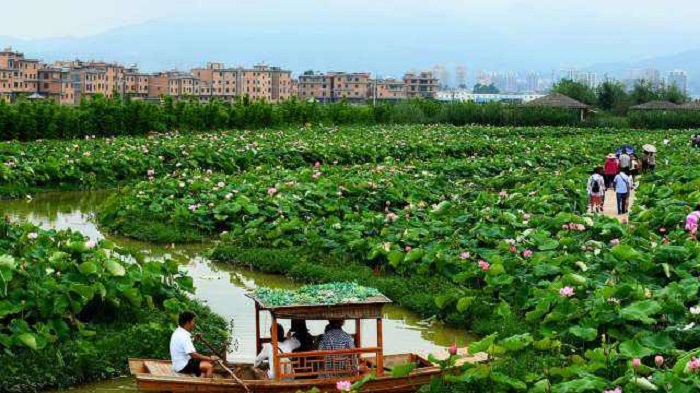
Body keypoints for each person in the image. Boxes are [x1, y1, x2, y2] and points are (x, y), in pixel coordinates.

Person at [170, 311, 219, 377]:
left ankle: (202, 378)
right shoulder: (185, 336)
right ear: (188, 323)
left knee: (206, 362)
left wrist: (194, 339)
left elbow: (183, 345)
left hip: (178, 365)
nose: (194, 324)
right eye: (193, 321)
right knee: (209, 366)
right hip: (183, 366)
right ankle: (207, 386)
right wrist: (210, 358)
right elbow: (193, 355)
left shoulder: (178, 331)